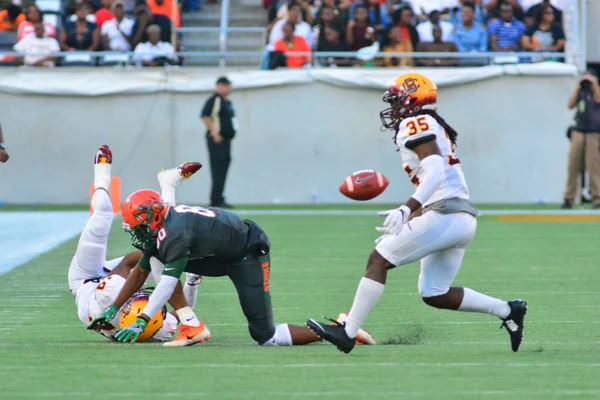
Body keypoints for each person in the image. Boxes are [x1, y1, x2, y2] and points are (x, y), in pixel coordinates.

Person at [306, 72, 528, 354]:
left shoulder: (414, 122)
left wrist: (406, 208)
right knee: (434, 293)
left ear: (413, 100)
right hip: (458, 218)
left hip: (447, 214)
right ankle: (508, 310)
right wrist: (417, 212)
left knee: (379, 260)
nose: (394, 108)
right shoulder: (431, 123)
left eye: (398, 100)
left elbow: (435, 170)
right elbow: (439, 177)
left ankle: (347, 332)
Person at [89, 189, 376, 346]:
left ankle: (341, 328)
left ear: (152, 216)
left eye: (138, 226)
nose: (136, 232)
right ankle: (191, 325)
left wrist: (142, 320)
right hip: (221, 251)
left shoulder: (173, 233)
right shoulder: (165, 227)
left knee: (266, 336)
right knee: (154, 259)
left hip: (248, 253)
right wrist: (112, 309)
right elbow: (139, 272)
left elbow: (164, 284)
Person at [78, 145, 206, 344]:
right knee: (166, 249)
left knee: (102, 213)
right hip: (121, 294)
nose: (150, 299)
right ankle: (168, 185)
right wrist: (192, 281)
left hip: (86, 279)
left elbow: (129, 264)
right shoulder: (158, 330)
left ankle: (101, 177)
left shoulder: (107, 300)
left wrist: (167, 252)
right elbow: (184, 308)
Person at [562, 70, 600, 209]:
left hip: (593, 133)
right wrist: (578, 88)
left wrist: (594, 86)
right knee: (573, 165)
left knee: (593, 165)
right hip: (578, 131)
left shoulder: (595, 92)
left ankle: (597, 198)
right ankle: (569, 198)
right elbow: (570, 105)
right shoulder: (581, 93)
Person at [201, 77, 236, 208]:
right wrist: (215, 132)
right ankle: (215, 199)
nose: (229, 89)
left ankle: (219, 197)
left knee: (223, 169)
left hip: (226, 140)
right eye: (226, 86)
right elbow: (205, 115)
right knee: (217, 169)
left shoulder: (227, 102)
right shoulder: (215, 100)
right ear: (220, 86)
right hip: (217, 140)